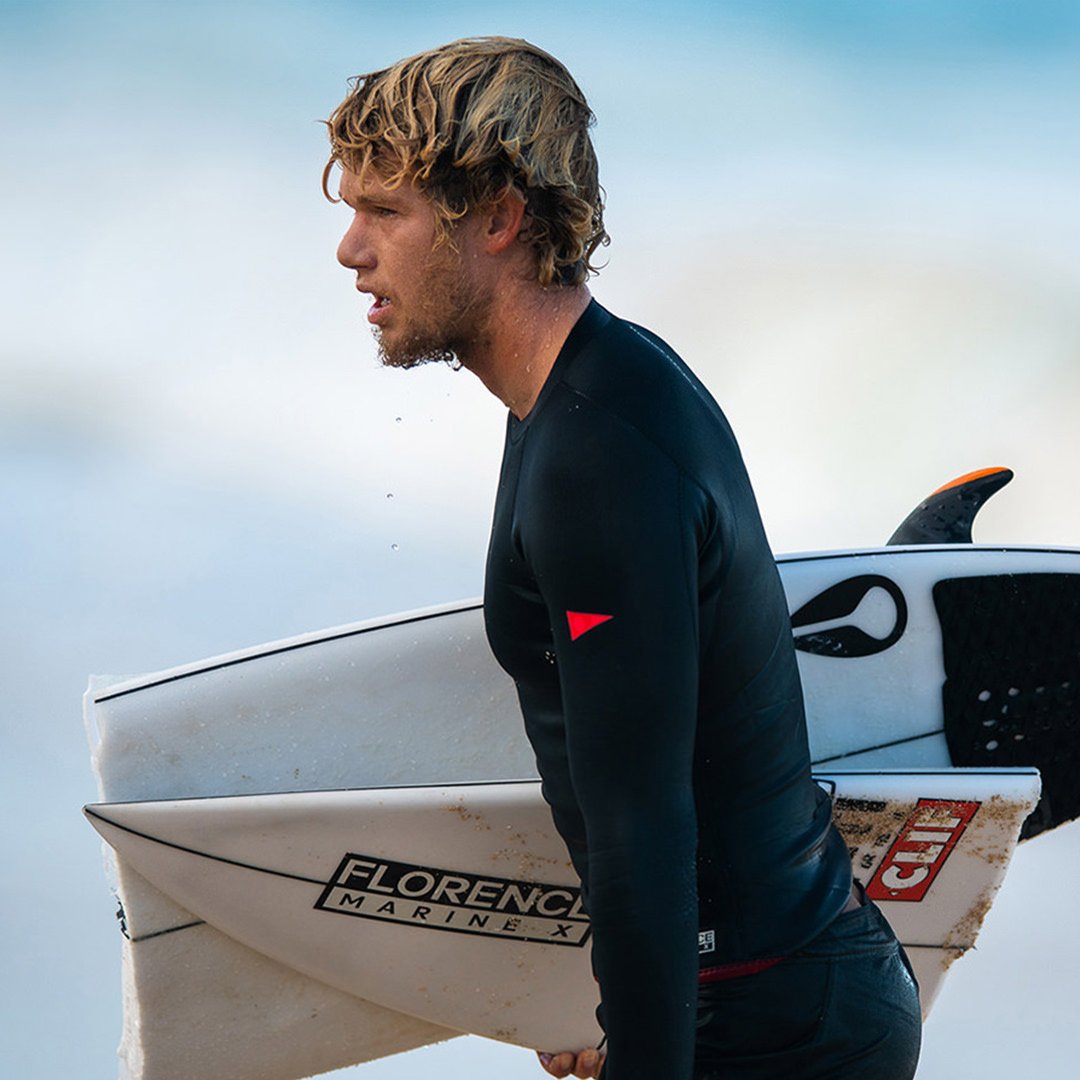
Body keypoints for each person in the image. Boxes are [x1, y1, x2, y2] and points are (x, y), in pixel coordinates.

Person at [324, 36, 922, 1080]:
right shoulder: (599, 385)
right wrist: (633, 1024)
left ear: (499, 219)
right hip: (771, 998)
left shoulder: (595, 456)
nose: (349, 249)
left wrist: (653, 1050)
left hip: (773, 1028)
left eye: (386, 211)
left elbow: (642, 828)